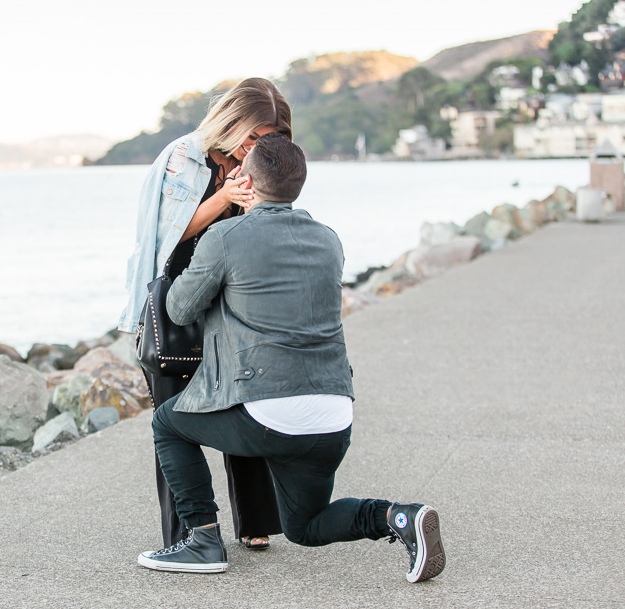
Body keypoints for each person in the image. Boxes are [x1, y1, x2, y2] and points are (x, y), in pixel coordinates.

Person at [136, 133, 447, 582]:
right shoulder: (328, 239)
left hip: (268, 415)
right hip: (333, 416)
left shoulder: (225, 237)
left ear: (246, 181)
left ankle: (203, 542)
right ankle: (400, 517)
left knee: (168, 423)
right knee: (306, 526)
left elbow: (179, 309)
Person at [119, 78, 291, 549]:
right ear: (231, 120)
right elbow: (166, 237)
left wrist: (259, 207)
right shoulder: (185, 156)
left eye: (266, 140)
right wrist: (224, 198)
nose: (253, 148)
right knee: (172, 418)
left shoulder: (257, 163)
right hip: (175, 302)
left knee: (243, 406)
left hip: (232, 301)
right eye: (251, 136)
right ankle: (189, 533)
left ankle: (255, 521)